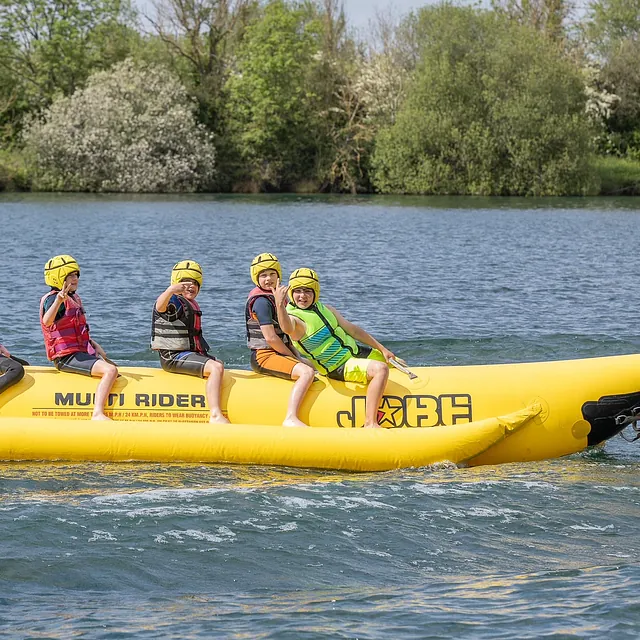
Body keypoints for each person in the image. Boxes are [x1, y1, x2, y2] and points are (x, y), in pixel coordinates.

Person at [274, 268, 404, 429]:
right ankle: (370, 423)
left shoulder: (325, 309)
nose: (302, 296)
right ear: (291, 293)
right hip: (339, 366)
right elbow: (287, 328)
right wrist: (279, 305)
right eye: (298, 291)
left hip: (355, 353)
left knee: (398, 362)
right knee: (380, 369)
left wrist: (382, 349)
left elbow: (353, 330)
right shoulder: (295, 319)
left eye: (307, 291)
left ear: (315, 292)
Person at [40, 255, 118, 420]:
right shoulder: (55, 299)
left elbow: (77, 330)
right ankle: (97, 413)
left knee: (113, 368)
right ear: (58, 277)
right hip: (65, 357)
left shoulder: (73, 298)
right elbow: (47, 321)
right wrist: (58, 301)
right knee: (110, 370)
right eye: (70, 275)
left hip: (78, 352)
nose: (75, 279)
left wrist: (94, 345)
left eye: (76, 275)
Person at [151, 260, 229, 424]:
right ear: (176, 284)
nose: (190, 286)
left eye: (194, 282)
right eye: (185, 282)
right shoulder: (173, 301)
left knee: (219, 363)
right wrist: (171, 290)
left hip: (188, 353)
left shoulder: (190, 303)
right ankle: (215, 414)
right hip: (173, 357)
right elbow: (159, 307)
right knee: (216, 368)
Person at [246, 253, 315, 427]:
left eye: (272, 274)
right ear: (256, 278)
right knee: (305, 372)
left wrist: (297, 355)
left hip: (277, 353)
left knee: (314, 365)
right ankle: (290, 417)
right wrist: (293, 358)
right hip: (264, 356)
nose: (268, 279)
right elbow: (270, 337)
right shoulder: (261, 302)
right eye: (263, 275)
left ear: (278, 276)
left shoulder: (277, 298)